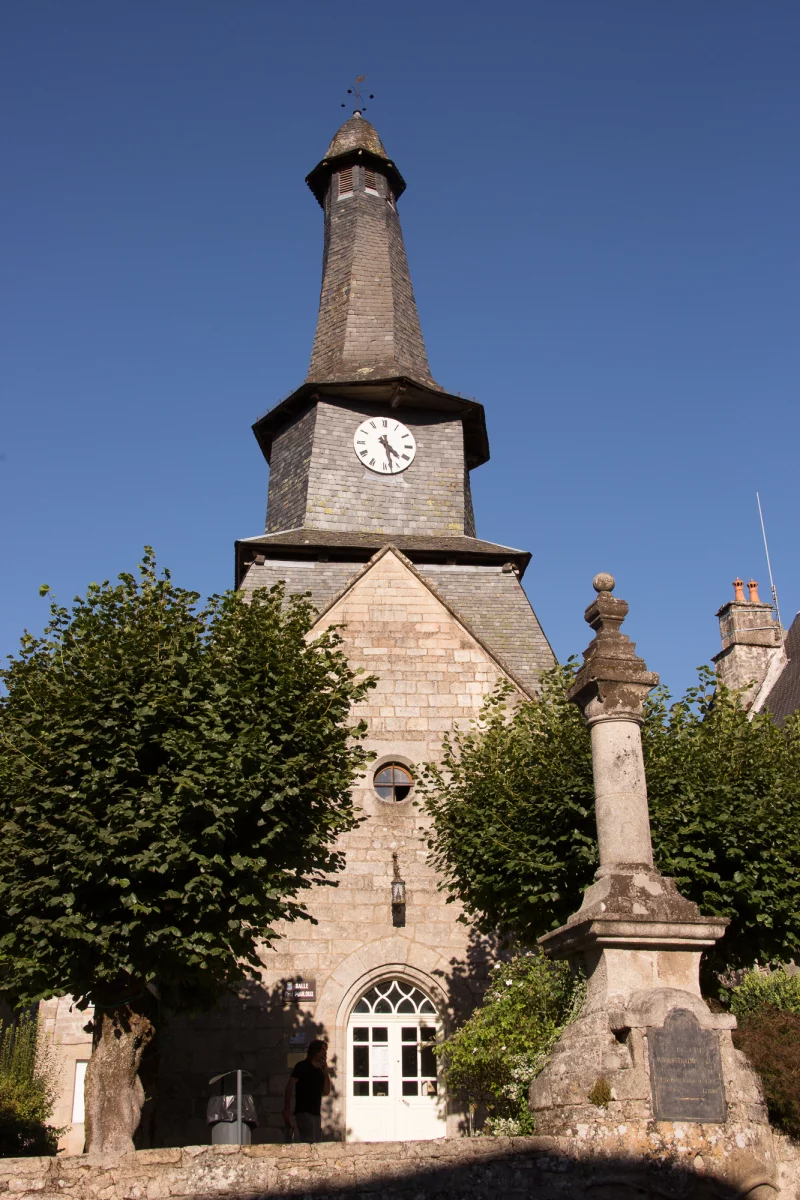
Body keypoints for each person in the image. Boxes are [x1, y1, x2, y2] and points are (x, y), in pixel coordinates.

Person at [283, 1039, 330, 1143]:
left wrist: (326, 1073)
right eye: (322, 1050)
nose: (325, 1053)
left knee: (316, 1142)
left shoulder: (319, 1072)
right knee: (309, 1142)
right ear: (315, 1051)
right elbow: (290, 1086)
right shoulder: (301, 1066)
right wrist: (287, 1109)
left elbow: (326, 1091)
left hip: (316, 1114)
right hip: (303, 1112)